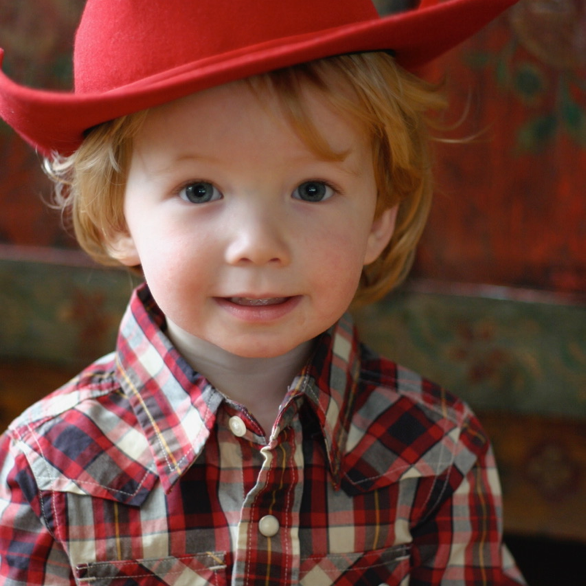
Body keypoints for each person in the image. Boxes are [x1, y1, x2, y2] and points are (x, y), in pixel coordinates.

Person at [0, 0, 526, 583]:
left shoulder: (439, 452)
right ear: (117, 220)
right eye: (199, 190)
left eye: (312, 189)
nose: (257, 245)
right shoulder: (46, 467)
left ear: (379, 218)